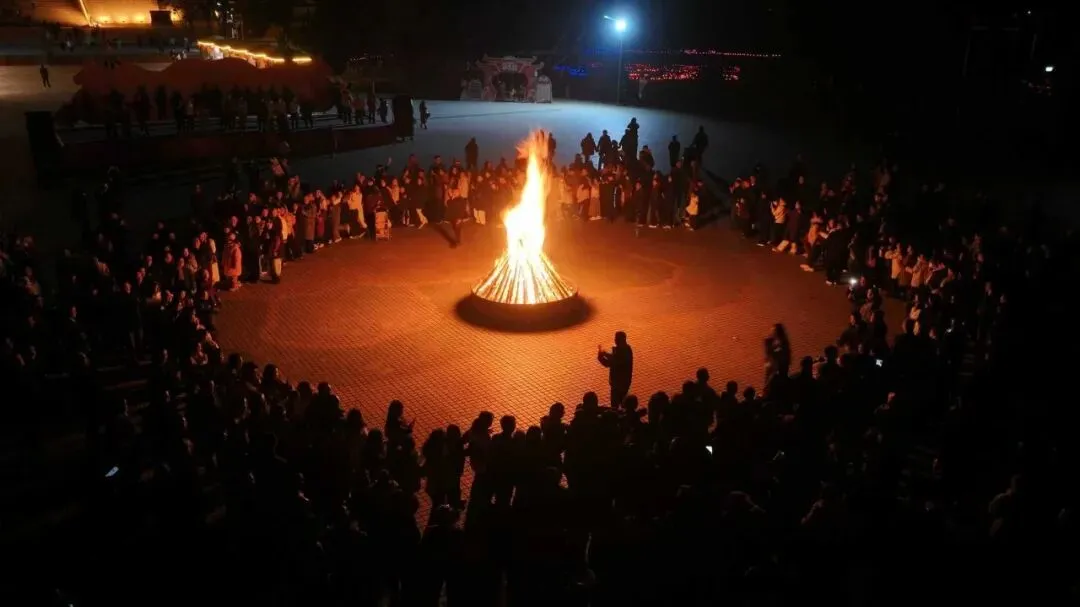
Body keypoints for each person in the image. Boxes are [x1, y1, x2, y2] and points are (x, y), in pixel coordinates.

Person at [598, 331, 633, 407]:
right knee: (623, 404)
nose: (615, 341)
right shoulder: (626, 349)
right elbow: (614, 358)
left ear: (622, 340)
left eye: (617, 339)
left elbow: (611, 362)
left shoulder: (624, 352)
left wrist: (602, 356)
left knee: (616, 405)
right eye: (615, 339)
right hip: (622, 383)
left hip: (619, 384)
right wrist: (604, 355)